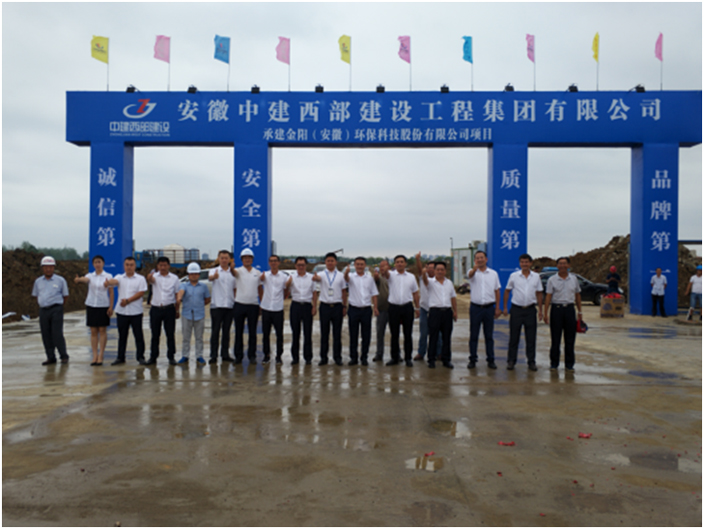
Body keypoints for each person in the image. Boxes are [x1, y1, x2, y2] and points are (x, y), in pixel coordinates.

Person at [503, 253, 544, 371]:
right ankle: (511, 361)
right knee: (514, 337)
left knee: (531, 338)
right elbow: (507, 291)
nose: (524, 264)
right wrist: (505, 307)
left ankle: (531, 361)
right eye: (522, 262)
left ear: (530, 263)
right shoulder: (514, 276)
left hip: (530, 310)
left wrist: (540, 310)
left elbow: (539, 293)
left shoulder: (536, 277)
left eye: (526, 262)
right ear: (519, 263)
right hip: (516, 310)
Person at [105, 257, 148, 365]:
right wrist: (109, 282)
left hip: (136, 312)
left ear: (135, 266)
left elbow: (141, 293)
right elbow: (114, 282)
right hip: (122, 312)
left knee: (138, 336)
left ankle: (140, 357)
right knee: (122, 336)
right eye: (127, 265)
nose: (129, 267)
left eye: (131, 265)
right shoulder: (119, 277)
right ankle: (120, 357)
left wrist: (128, 301)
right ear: (124, 266)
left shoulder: (140, 279)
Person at [543, 257, 582, 372]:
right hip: (556, 310)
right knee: (555, 339)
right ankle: (554, 363)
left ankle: (569, 364)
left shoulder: (574, 279)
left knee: (570, 339)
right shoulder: (552, 280)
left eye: (565, 263)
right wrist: (545, 313)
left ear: (569, 265)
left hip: (570, 309)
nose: (562, 266)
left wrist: (580, 311)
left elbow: (577, 295)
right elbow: (548, 296)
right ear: (557, 266)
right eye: (560, 263)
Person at [74, 255, 114, 366]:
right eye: (95, 262)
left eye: (99, 262)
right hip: (91, 305)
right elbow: (85, 279)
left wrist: (111, 307)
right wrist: (79, 280)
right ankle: (94, 355)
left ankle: (101, 355)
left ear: (103, 263)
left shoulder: (108, 276)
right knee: (93, 331)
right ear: (93, 264)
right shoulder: (90, 276)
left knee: (102, 330)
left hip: (103, 305)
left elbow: (111, 293)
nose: (97, 264)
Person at [381, 254, 420, 367]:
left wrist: (417, 307)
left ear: (405, 263)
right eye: (397, 262)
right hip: (394, 307)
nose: (399, 264)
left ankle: (408, 358)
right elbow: (385, 275)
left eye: (402, 262)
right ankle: (395, 357)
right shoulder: (391, 275)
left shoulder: (411, 277)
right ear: (394, 264)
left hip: (407, 307)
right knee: (394, 334)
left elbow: (415, 293)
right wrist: (385, 269)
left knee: (408, 334)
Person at [32, 256, 69, 365]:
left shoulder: (60, 280)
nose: (48, 269)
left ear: (54, 268)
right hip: (43, 310)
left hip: (56, 309)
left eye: (50, 267)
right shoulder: (38, 281)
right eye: (46, 267)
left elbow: (65, 296)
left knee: (57, 333)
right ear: (42, 268)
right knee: (46, 334)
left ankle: (63, 355)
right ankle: (50, 357)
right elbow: (36, 295)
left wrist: (59, 306)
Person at [466, 250, 501, 370]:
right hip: (475, 308)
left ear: (486, 259)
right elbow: (470, 275)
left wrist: (497, 308)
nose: (480, 260)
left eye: (482, 257)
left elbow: (497, 291)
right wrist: (474, 269)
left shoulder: (493, 274)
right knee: (474, 335)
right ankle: (473, 359)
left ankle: (490, 359)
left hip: (489, 308)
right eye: (477, 258)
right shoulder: (472, 272)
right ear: (475, 260)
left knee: (489, 336)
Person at [312, 252, 348, 366]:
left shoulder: (341, 276)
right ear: (325, 262)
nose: (330, 263)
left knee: (337, 334)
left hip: (337, 307)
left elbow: (344, 292)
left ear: (336, 262)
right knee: (324, 334)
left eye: (332, 261)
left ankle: (337, 357)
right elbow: (316, 279)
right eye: (328, 261)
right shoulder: (321, 274)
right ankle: (323, 358)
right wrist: (315, 278)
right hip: (325, 307)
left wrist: (344, 306)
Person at [421, 260, 457, 369]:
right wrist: (423, 272)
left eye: (442, 269)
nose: (440, 271)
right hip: (435, 312)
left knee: (447, 337)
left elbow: (453, 297)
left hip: (447, 312)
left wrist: (455, 311)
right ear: (434, 271)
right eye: (438, 269)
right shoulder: (430, 282)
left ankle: (446, 359)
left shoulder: (449, 283)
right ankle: (431, 359)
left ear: (445, 271)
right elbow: (424, 280)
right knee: (433, 337)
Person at [145, 256, 181, 365]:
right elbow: (150, 280)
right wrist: (149, 278)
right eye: (160, 265)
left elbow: (177, 294)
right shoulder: (154, 276)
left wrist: (177, 310)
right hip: (156, 309)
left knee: (170, 334)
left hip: (169, 309)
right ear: (157, 266)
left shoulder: (174, 278)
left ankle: (171, 356)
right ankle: (153, 357)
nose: (163, 267)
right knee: (155, 335)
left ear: (169, 266)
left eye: (165, 265)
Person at [344, 257, 379, 366]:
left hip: (366, 310)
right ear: (354, 265)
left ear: (365, 266)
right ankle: (353, 358)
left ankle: (364, 357)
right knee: (353, 335)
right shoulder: (351, 277)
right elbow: (346, 279)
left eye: (362, 264)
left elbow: (374, 294)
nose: (359, 266)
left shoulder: (369, 278)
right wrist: (346, 272)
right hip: (353, 309)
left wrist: (376, 307)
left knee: (366, 335)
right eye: (357, 264)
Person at [176, 263, 211, 365]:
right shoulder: (183, 285)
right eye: (191, 274)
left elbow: (207, 299)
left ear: (199, 275)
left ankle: (199, 356)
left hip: (199, 314)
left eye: (196, 274)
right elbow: (181, 292)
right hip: (186, 314)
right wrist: (179, 298)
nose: (194, 276)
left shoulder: (203, 286)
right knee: (186, 337)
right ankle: (185, 355)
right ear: (188, 275)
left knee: (199, 337)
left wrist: (199, 305)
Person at [287, 257, 318, 365]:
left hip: (307, 306)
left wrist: (314, 306)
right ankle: (295, 357)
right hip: (295, 306)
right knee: (295, 333)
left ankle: (308, 357)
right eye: (299, 265)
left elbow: (314, 292)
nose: (301, 267)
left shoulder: (311, 277)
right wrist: (288, 283)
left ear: (306, 266)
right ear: (295, 266)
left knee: (307, 333)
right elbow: (286, 290)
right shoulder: (291, 277)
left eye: (303, 265)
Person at [232, 248, 261, 364]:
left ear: (252, 259)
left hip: (253, 305)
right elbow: (232, 273)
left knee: (252, 332)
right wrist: (231, 267)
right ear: (242, 260)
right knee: (238, 332)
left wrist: (261, 304)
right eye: (245, 258)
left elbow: (260, 289)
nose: (247, 260)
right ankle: (238, 356)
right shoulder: (238, 271)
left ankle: (252, 355)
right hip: (239, 304)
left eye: (249, 258)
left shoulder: (257, 273)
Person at [259, 255, 289, 364]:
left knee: (279, 334)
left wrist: (281, 298)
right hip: (266, 309)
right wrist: (262, 301)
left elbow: (286, 290)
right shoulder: (265, 275)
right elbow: (259, 287)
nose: (273, 263)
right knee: (265, 334)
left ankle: (279, 356)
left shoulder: (284, 276)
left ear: (279, 262)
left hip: (278, 309)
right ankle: (266, 355)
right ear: (269, 263)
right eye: (271, 261)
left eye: (275, 261)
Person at [208, 250, 236, 364]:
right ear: (218, 259)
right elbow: (210, 278)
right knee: (215, 332)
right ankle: (213, 355)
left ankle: (225, 354)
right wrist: (214, 277)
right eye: (222, 258)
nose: (224, 260)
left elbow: (235, 289)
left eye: (226, 258)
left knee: (226, 332)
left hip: (229, 306)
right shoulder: (214, 271)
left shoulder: (233, 273)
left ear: (229, 259)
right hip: (216, 306)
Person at [414, 255, 441, 361]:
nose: (431, 270)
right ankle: (421, 352)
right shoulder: (423, 278)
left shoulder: (439, 280)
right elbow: (419, 269)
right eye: (428, 267)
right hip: (424, 309)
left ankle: (439, 353)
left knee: (438, 333)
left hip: (436, 310)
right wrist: (418, 260)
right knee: (424, 333)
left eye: (433, 268)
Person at [372, 260, 390, 362]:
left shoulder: (393, 277)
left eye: (384, 266)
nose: (382, 268)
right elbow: (376, 279)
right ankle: (379, 353)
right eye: (381, 266)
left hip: (393, 309)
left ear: (389, 267)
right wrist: (375, 276)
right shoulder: (378, 278)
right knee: (380, 333)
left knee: (395, 333)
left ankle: (397, 354)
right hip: (381, 310)